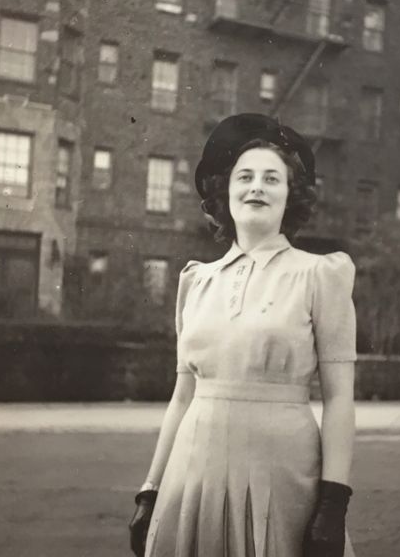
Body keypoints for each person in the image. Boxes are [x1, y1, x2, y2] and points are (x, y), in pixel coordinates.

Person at [129, 113, 357, 557]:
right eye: (245, 176)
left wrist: (334, 502)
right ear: (223, 192)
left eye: (272, 178)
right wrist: (150, 490)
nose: (257, 187)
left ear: (291, 196)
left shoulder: (321, 275)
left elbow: (340, 399)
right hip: (192, 475)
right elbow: (183, 397)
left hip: (285, 474)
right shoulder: (196, 281)